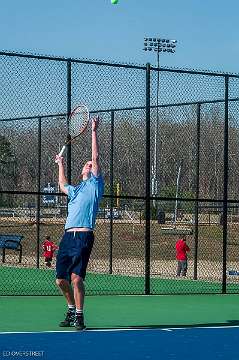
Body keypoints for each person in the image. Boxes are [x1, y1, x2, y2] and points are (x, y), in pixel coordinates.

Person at [55, 115, 104, 331]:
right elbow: (62, 184)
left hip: (83, 236)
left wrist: (93, 131)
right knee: (60, 280)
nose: (90, 164)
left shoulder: (95, 185)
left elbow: (96, 154)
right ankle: (71, 309)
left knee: (76, 279)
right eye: (87, 164)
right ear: (82, 170)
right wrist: (61, 164)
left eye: (91, 164)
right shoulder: (76, 190)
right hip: (67, 237)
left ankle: (80, 317)